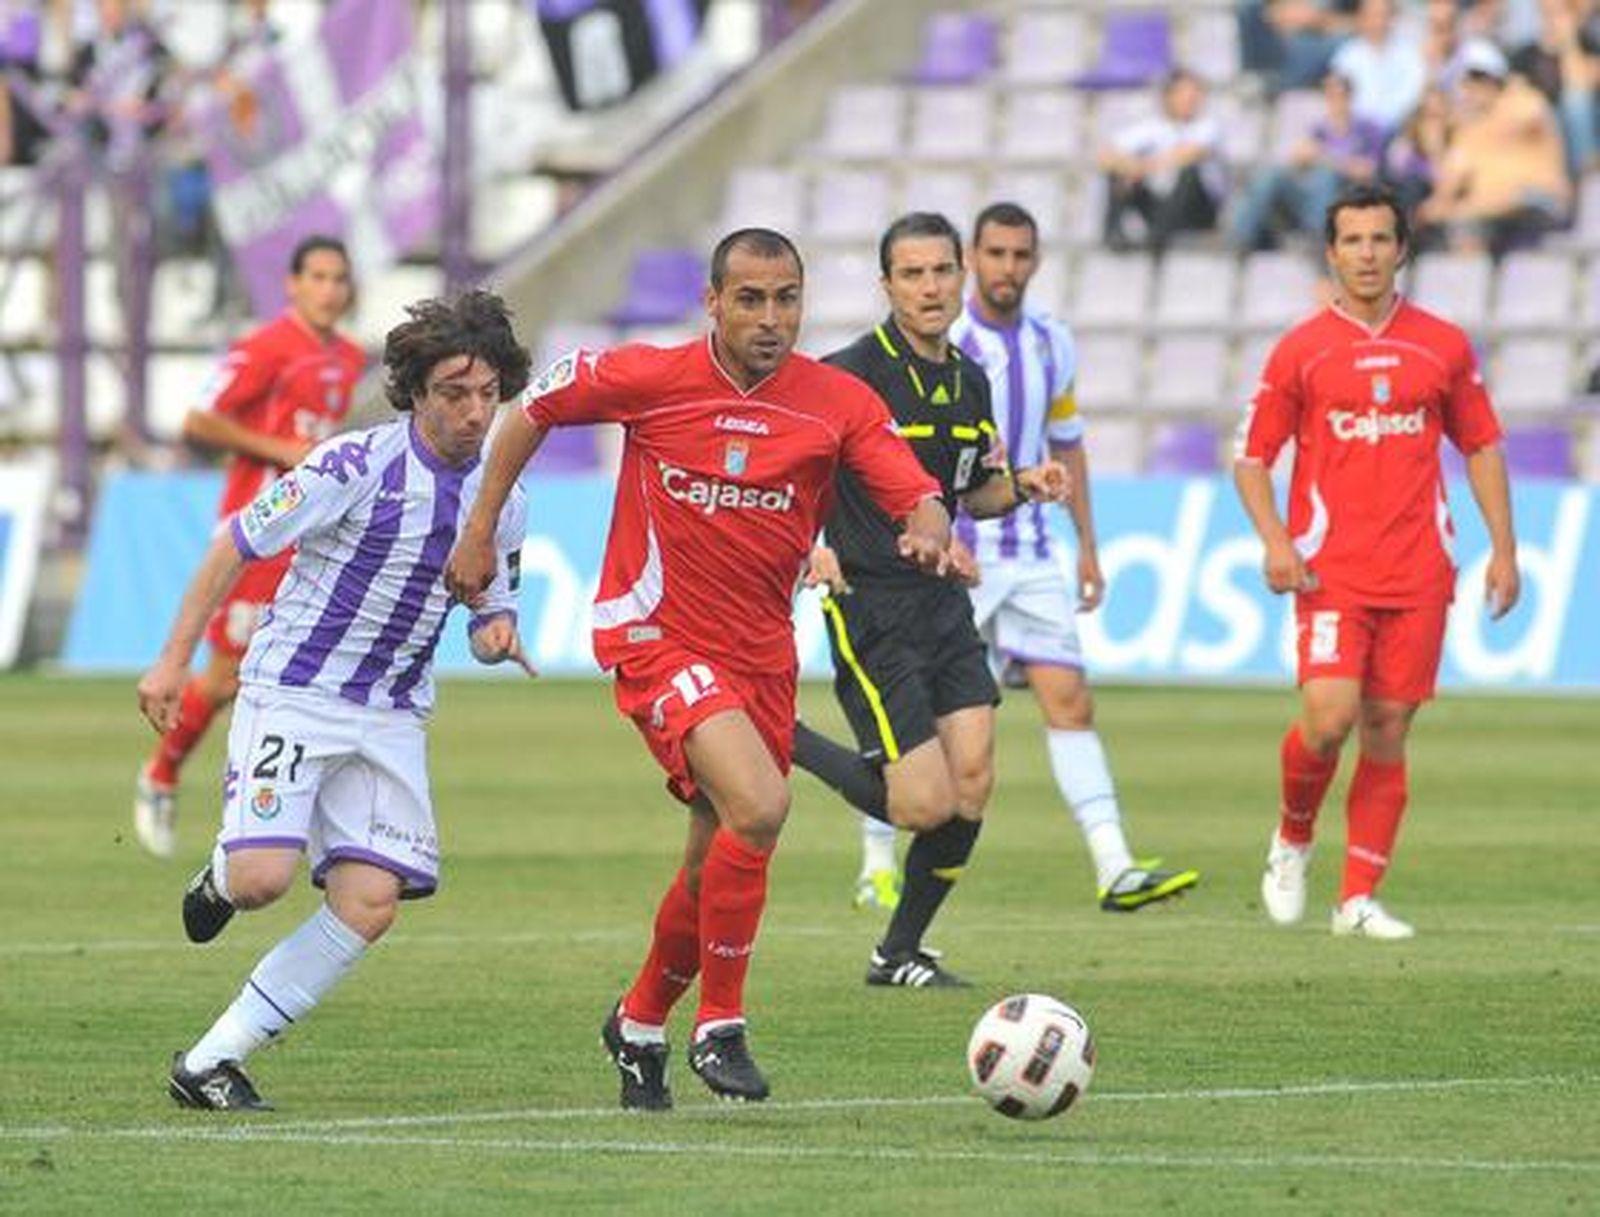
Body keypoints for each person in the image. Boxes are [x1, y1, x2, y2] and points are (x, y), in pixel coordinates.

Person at [445, 228, 949, 1110]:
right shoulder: (652, 376)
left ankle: (639, 1023)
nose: (770, 318)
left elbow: (913, 488)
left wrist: (929, 524)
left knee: (710, 862)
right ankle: (721, 1024)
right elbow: (532, 409)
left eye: (786, 298)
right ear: (712, 302)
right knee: (762, 804)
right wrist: (479, 527)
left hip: (761, 658)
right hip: (656, 636)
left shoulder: (836, 402)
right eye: (749, 299)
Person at [136, 290, 537, 1110]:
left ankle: (210, 1061)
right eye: (454, 393)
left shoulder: (506, 501)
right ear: (416, 392)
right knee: (260, 880)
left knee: (370, 902)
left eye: (489, 394)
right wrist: (173, 660)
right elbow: (233, 544)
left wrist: (495, 633)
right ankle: (223, 873)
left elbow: (490, 609)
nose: (474, 413)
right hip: (296, 691)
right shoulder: (350, 466)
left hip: (392, 714)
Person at [789, 212, 1071, 988]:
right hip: (869, 602)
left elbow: (971, 494)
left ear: (961, 275)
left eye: (942, 270)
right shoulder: (847, 376)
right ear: (887, 285)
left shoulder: (969, 379)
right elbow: (794, 472)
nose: (930, 287)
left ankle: (897, 953)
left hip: (943, 598)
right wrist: (811, 543)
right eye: (912, 273)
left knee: (972, 783)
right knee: (922, 805)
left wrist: (1024, 486)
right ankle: (783, 736)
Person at [1233, 183, 1519, 940]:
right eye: (1352, 240)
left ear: (1402, 249)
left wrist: (1504, 549)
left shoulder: (1443, 345)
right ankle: (1293, 834)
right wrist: (1275, 540)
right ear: (1332, 254)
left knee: (1388, 727)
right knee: (1329, 719)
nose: (1367, 254)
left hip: (1420, 568)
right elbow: (1252, 457)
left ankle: (1356, 899)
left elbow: (1482, 444)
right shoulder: (1301, 349)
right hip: (1331, 570)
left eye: (1380, 239)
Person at [943, 201, 1198, 913]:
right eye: (995, 253)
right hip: (957, 554)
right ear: (972, 258)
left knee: (1070, 701)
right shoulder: (948, 340)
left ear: (1037, 260)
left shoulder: (1052, 340)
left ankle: (1114, 865)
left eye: (1020, 255)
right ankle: (877, 865)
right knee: (929, 725)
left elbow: (1068, 443)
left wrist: (1087, 544)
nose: (1008, 267)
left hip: (1030, 549)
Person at [133, 235, 364, 858]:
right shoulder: (267, 348)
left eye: (339, 279)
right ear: (292, 284)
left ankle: (303, 807)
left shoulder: (348, 356)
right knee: (227, 675)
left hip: (311, 531)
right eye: (317, 277)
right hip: (257, 531)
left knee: (314, 669)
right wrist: (280, 450)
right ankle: (161, 774)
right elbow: (198, 420)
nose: (329, 290)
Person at [1419, 38, 1572, 257]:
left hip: (1539, 201)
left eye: (1479, 78)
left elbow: (1530, 118)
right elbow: (1449, 185)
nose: (1471, 88)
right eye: (1466, 81)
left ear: (1496, 79)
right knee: (1458, 228)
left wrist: (1503, 95)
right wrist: (1435, 150)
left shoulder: (1524, 100)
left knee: (1474, 216)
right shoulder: (1467, 127)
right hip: (1494, 214)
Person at [1231, 70, 1386, 251]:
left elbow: (1368, 170)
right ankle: (1241, 237)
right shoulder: (1319, 129)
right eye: (1329, 96)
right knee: (1272, 174)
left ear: (1350, 97)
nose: (1334, 101)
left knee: (1326, 174)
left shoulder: (1367, 128)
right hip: (1310, 196)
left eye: (1339, 95)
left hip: (1346, 197)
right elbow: (1296, 158)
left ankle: (1318, 237)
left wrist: (1326, 157)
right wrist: (1305, 156)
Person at [1097, 68, 1228, 254]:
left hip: (1198, 209)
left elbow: (1190, 154)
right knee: (1119, 174)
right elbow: (1106, 155)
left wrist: (1141, 168)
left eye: (1195, 94)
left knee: (1188, 172)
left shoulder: (1209, 127)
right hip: (1160, 203)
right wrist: (1129, 167)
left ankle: (1157, 238)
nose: (1191, 99)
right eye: (1185, 94)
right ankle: (1114, 235)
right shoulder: (1152, 127)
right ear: (1168, 96)